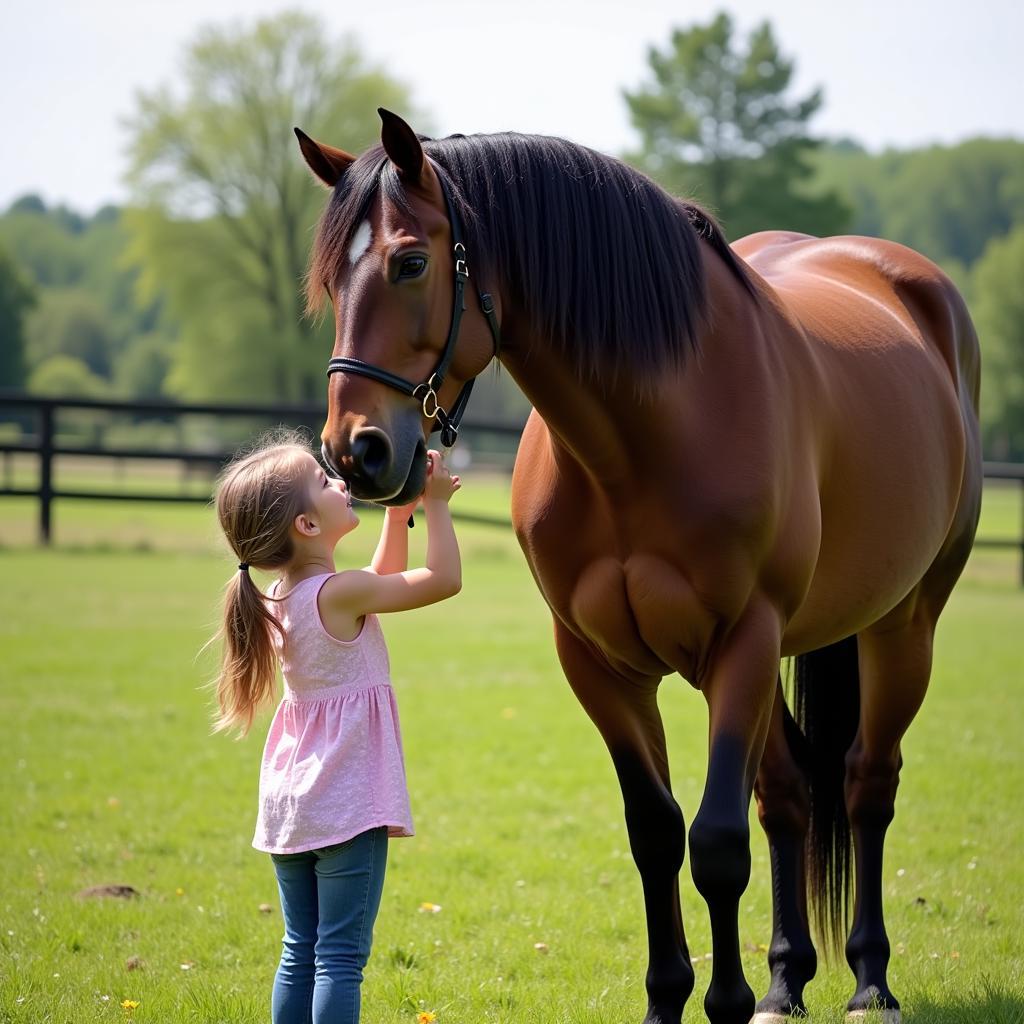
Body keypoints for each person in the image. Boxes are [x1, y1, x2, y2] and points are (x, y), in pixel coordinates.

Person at [208, 430, 461, 1024]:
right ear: (308, 526)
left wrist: (399, 517)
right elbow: (443, 579)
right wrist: (439, 505)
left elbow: (376, 584)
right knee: (341, 957)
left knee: (301, 951)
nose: (340, 481)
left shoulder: (276, 596)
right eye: (324, 483)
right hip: (348, 801)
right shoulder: (340, 594)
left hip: (292, 803)